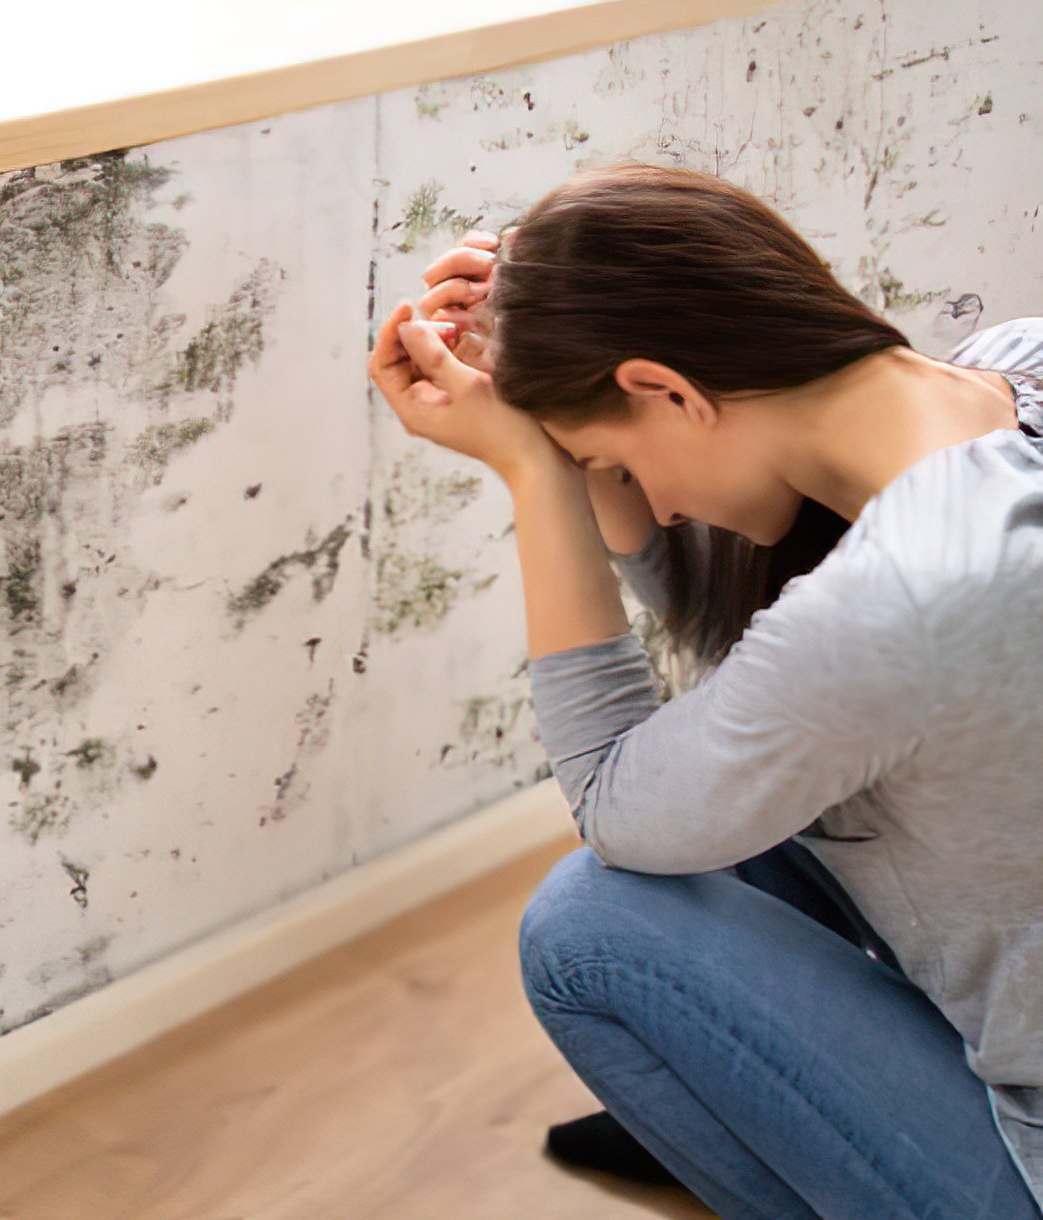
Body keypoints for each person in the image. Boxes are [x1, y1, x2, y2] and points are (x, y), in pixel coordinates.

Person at [366, 159, 1043, 1219]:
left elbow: (616, 798)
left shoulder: (901, 596)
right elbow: (770, 664)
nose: (664, 509)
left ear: (667, 389)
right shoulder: (1011, 368)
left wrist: (537, 477)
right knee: (742, 804)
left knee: (588, 927)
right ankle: (757, 1103)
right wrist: (559, 368)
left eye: (617, 461)